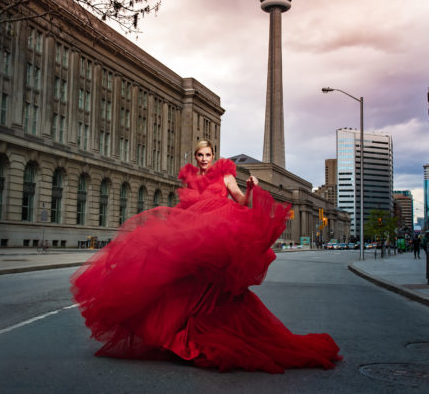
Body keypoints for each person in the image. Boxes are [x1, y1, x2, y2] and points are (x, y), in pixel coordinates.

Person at [71, 139, 341, 373]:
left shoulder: (225, 176)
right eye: (200, 155)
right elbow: (186, 211)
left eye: (208, 155)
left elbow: (241, 201)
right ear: (196, 157)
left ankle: (202, 332)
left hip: (217, 236)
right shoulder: (191, 180)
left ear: (214, 156)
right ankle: (181, 333)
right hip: (195, 241)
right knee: (183, 285)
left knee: (215, 289)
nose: (203, 159)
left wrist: (249, 188)